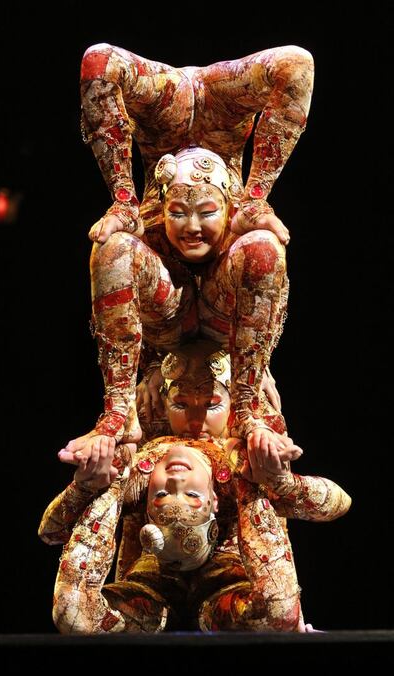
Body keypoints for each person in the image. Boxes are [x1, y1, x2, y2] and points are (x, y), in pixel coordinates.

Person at [61, 43, 314, 465]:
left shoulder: (239, 233)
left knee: (265, 247)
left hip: (211, 308)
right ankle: (118, 414)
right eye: (177, 213)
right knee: (113, 247)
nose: (192, 227)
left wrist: (253, 198)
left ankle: (247, 411)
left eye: (206, 213)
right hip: (176, 311)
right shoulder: (151, 227)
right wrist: (124, 200)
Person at [40, 434, 350, 634]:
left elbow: (338, 503)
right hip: (153, 591)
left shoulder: (234, 468)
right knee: (72, 616)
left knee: (278, 612)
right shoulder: (138, 473)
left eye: (169, 494)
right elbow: (50, 533)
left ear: (215, 502)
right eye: (160, 494)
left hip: (223, 588)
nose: (175, 480)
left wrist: (278, 482)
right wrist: (100, 488)